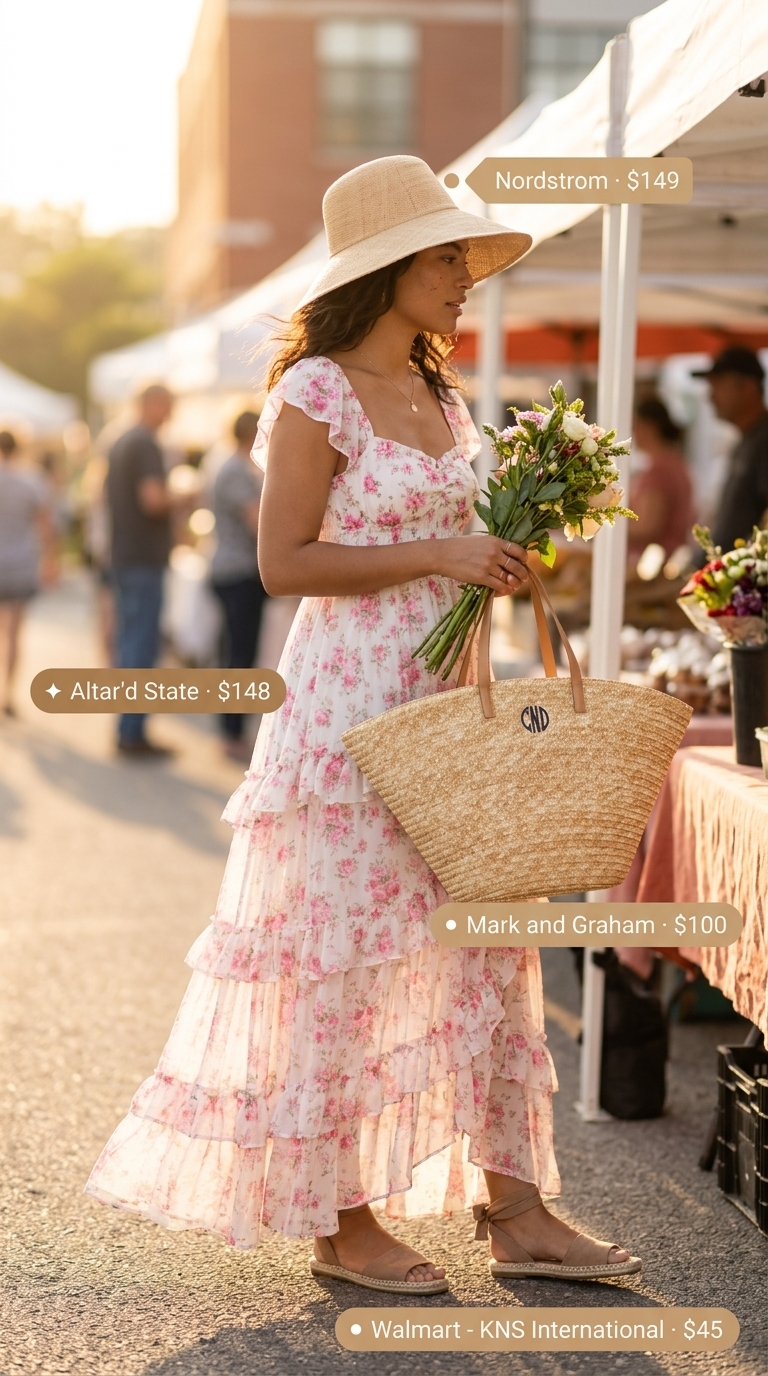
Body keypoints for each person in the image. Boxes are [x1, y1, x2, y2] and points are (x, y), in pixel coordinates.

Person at [86, 156, 639, 1291]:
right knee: (341, 963)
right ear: (387, 267)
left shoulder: (444, 397)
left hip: (454, 706)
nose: (464, 277)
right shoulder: (315, 393)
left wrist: (501, 553)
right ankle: (343, 1219)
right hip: (345, 721)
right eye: (447, 257)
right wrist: (438, 551)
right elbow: (282, 558)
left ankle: (519, 1206)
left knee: (489, 953)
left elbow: (448, 542)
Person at [106, 384, 180, 757]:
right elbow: (153, 500)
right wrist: (185, 495)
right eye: (169, 405)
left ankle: (128, 728)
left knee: (129, 643)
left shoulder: (121, 440)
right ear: (152, 404)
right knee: (140, 646)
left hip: (124, 555)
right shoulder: (145, 443)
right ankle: (132, 732)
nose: (172, 413)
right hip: (142, 559)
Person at [210, 410, 267, 762]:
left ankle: (232, 729)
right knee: (238, 655)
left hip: (234, 571)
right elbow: (256, 520)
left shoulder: (234, 468)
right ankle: (231, 731)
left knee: (236, 652)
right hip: (238, 572)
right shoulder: (235, 471)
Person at [0, 430, 58, 717]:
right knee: (13, 632)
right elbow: (45, 524)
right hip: (20, 564)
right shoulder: (30, 480)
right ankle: (7, 693)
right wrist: (50, 560)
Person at [692, 346, 768, 551]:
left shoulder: (763, 439)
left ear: (748, 386)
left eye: (718, 385)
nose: (710, 397)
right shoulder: (748, 440)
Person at [628, 396, 694, 561]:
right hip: (666, 559)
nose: (633, 432)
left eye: (636, 426)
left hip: (650, 566)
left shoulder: (660, 469)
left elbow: (647, 527)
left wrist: (601, 528)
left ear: (649, 427)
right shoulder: (675, 462)